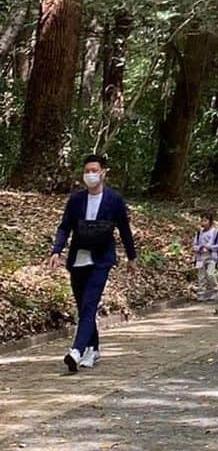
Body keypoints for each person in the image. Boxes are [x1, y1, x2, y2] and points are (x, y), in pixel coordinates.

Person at [47, 153, 137, 374]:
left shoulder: (114, 199)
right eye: (87, 171)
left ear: (103, 172)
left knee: (89, 303)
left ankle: (77, 350)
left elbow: (124, 229)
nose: (90, 175)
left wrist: (131, 257)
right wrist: (57, 250)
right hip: (78, 258)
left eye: (94, 171)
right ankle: (93, 348)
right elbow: (65, 226)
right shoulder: (76, 199)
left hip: (101, 259)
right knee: (83, 306)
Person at [193, 212, 218, 303]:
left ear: (210, 221)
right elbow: (194, 245)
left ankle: (215, 290)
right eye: (202, 220)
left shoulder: (215, 232)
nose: (203, 223)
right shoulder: (199, 233)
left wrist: (209, 247)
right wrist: (199, 248)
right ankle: (201, 294)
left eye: (205, 220)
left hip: (211, 256)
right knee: (201, 276)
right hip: (201, 256)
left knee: (210, 274)